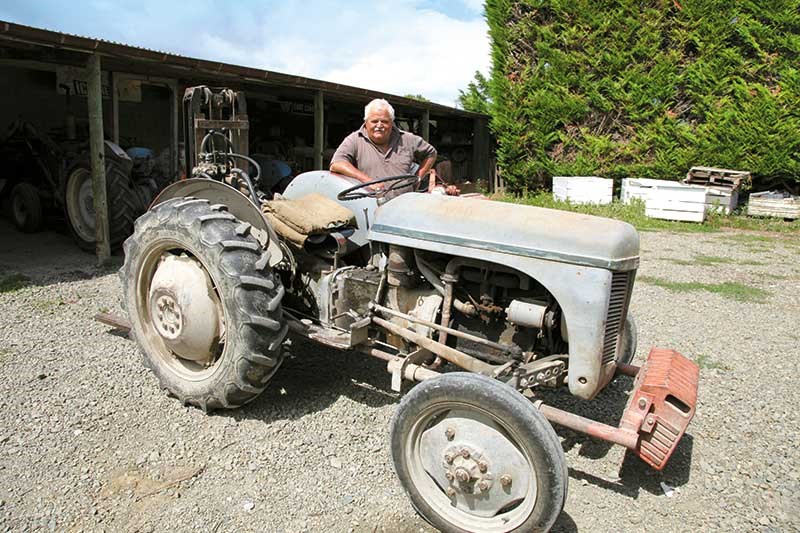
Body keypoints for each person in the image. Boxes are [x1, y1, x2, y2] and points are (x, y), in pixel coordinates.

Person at [330, 99, 437, 195]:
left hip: (404, 206)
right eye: (374, 121)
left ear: (392, 122)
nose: (379, 125)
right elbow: (337, 164)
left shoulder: (407, 139)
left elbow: (431, 153)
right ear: (366, 122)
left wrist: (418, 177)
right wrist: (368, 181)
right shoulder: (354, 139)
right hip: (369, 208)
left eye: (385, 121)